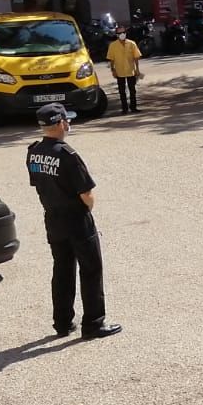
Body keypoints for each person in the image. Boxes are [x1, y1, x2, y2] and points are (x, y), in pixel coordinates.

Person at [25, 104, 121, 339]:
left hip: (53, 219)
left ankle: (63, 323)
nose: (69, 124)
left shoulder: (33, 152)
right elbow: (86, 196)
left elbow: (39, 184)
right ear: (59, 124)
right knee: (91, 269)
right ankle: (93, 324)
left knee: (62, 270)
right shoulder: (68, 155)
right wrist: (87, 210)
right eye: (66, 120)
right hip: (77, 220)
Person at [104, 27, 142, 114]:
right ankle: (124, 109)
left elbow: (136, 57)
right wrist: (113, 70)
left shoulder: (132, 44)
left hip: (130, 70)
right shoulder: (113, 45)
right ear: (117, 35)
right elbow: (111, 59)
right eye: (120, 33)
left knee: (132, 90)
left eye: (123, 32)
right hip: (119, 71)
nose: (122, 34)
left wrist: (137, 70)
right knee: (122, 91)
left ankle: (133, 107)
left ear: (126, 33)